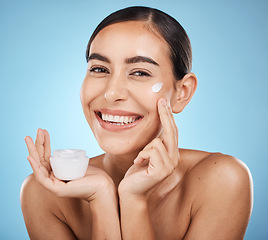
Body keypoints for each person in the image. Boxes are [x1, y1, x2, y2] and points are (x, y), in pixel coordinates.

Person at [20, 6, 253, 240]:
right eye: (99, 69)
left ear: (182, 92)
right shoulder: (45, 192)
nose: (112, 93)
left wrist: (134, 200)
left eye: (140, 73)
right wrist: (102, 198)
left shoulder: (222, 180)